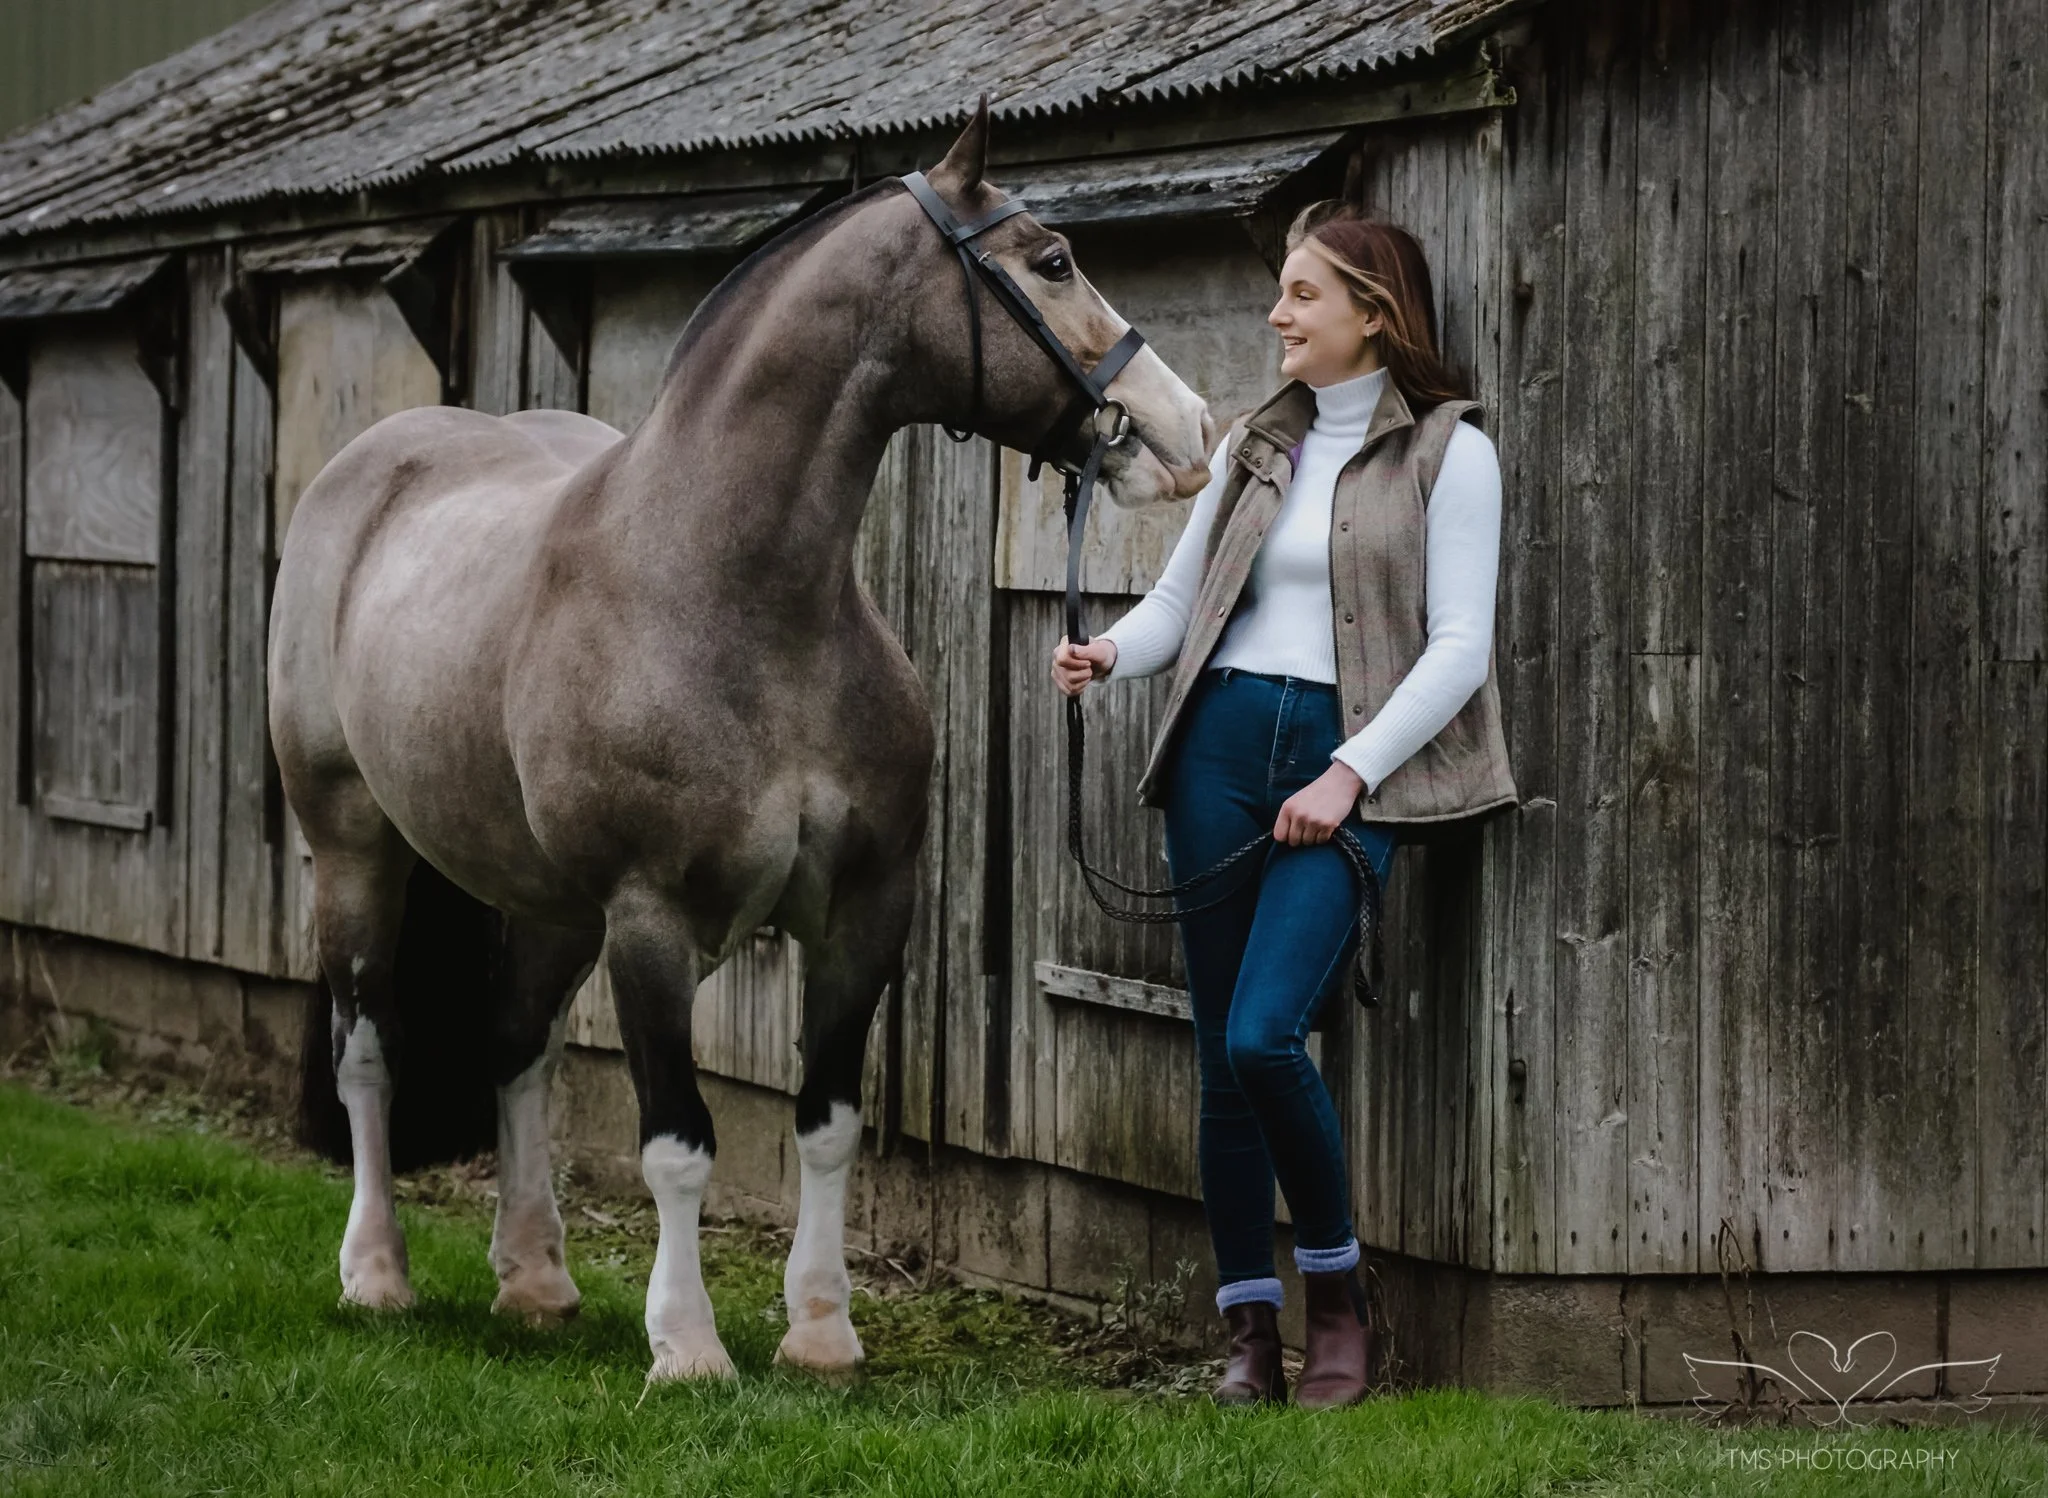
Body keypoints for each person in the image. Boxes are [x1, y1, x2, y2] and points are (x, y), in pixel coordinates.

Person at [1050, 197, 1519, 1408]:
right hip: (1216, 752)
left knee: (1265, 1035)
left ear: (1372, 314)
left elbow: (1459, 648)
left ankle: (1338, 1300)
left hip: (1341, 755)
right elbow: (1177, 603)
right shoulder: (1261, 441)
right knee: (1218, 1058)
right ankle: (1247, 1334)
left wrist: (1349, 770)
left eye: (1301, 294)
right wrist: (1109, 654)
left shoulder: (1450, 455)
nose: (1276, 314)